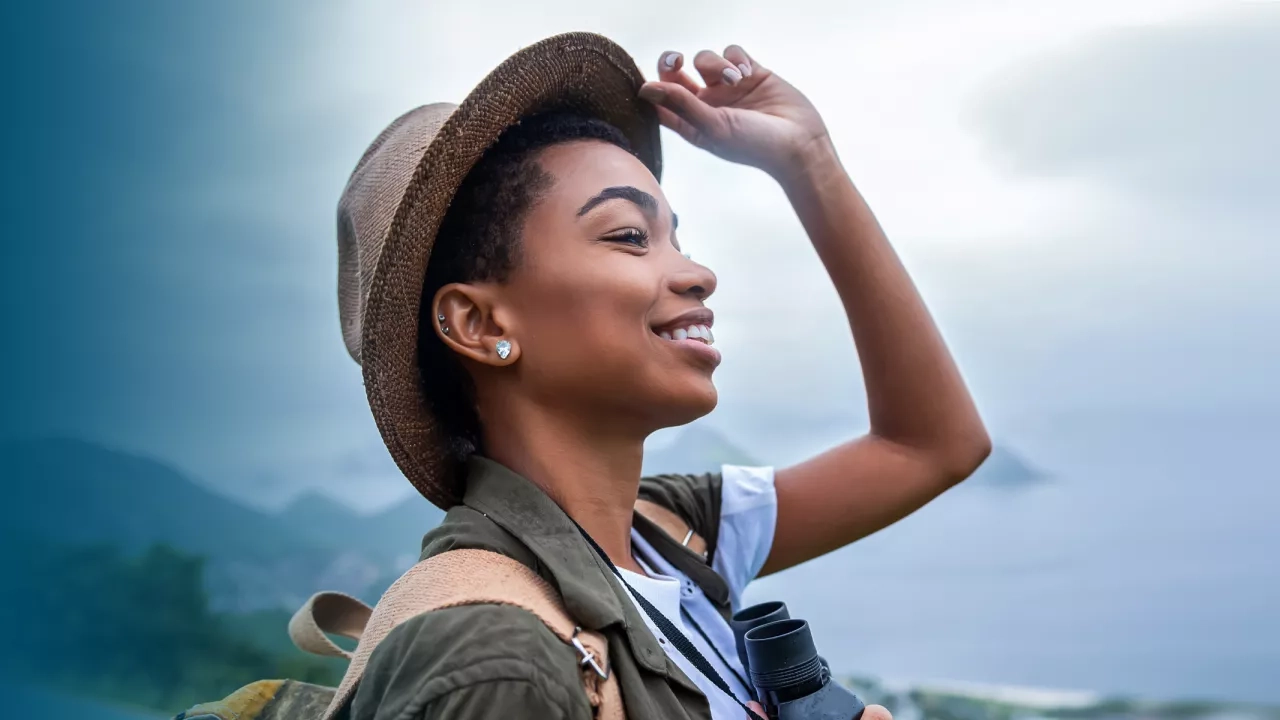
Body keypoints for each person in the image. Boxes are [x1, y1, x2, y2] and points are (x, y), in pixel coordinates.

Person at [335, 32, 989, 720]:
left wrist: (809, 161)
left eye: (676, 237)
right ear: (481, 325)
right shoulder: (493, 660)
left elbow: (931, 446)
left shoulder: (666, 534)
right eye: (627, 236)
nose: (696, 273)